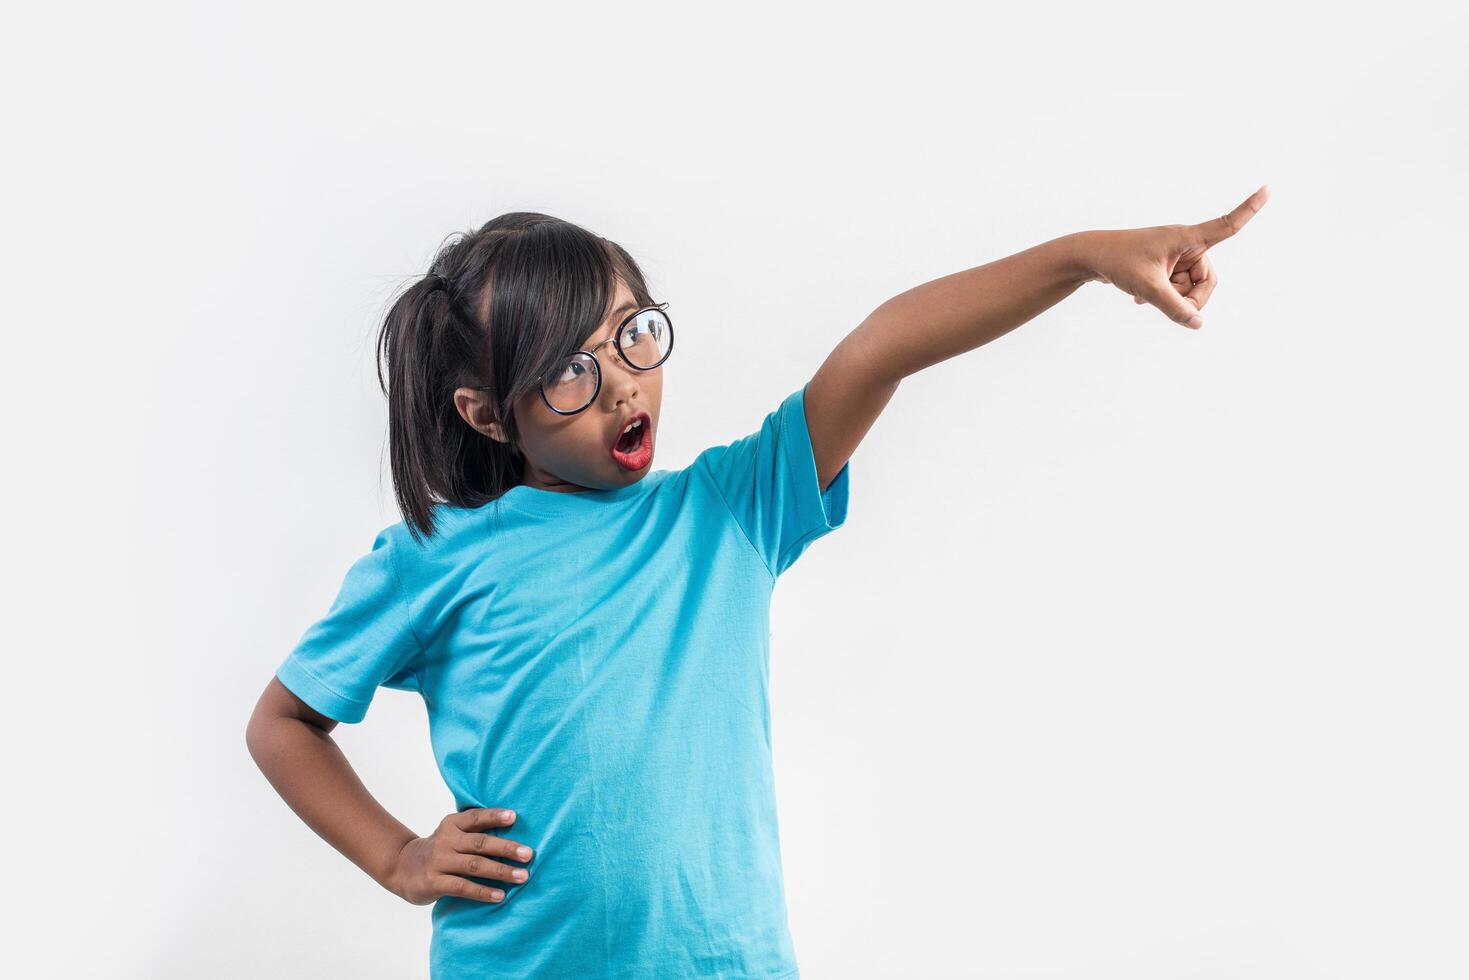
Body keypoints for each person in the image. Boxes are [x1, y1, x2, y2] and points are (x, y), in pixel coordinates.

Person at [246, 190, 1268, 978]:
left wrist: (1086, 257)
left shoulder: (729, 508)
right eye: (567, 370)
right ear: (482, 411)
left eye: (629, 334)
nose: (621, 383)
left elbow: (882, 346)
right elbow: (284, 721)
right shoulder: (437, 555)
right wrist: (398, 857)